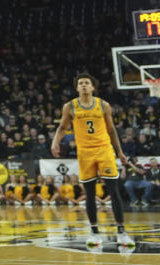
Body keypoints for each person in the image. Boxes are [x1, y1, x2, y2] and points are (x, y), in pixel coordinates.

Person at [51, 72, 133, 249]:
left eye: (87, 83)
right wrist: (55, 142)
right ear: (77, 88)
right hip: (85, 153)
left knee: (114, 190)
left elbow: (112, 130)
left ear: (93, 87)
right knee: (89, 193)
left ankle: (121, 232)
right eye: (80, 83)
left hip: (104, 150)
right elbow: (62, 127)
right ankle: (94, 232)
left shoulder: (103, 105)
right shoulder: (70, 106)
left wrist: (120, 152)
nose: (84, 85)